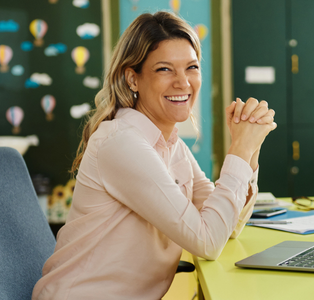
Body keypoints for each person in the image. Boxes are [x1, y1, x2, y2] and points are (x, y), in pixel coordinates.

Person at [32, 11, 276, 299]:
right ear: (132, 79)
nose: (183, 82)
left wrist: (251, 147)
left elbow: (226, 228)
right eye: (164, 69)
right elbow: (207, 241)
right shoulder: (121, 143)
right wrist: (240, 149)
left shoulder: (173, 146)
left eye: (192, 67)